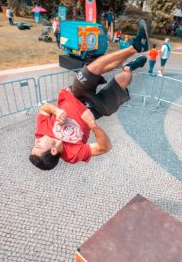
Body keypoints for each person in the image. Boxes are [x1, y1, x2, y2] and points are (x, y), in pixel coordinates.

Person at [29, 20, 150, 170]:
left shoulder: (40, 132)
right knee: (125, 77)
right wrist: (93, 125)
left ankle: (136, 46)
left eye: (35, 145)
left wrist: (56, 110)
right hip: (95, 111)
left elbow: (44, 109)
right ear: (53, 151)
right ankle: (129, 66)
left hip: (76, 95)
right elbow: (105, 147)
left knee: (93, 68)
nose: (36, 142)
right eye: (38, 147)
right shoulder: (71, 154)